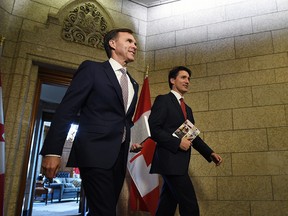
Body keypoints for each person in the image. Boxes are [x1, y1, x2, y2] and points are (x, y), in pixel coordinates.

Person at [40, 28, 139, 216]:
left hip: (119, 157)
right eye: (129, 41)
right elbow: (66, 110)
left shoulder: (133, 83)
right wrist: (52, 151)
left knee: (105, 209)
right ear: (112, 44)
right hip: (94, 153)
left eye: (135, 43)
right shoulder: (92, 69)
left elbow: (122, 120)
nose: (134, 46)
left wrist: (129, 140)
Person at [148, 66, 223, 216]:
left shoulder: (187, 109)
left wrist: (210, 153)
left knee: (166, 206)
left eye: (188, 78)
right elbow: (153, 129)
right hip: (169, 162)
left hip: (180, 163)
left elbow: (191, 136)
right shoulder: (163, 100)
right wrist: (177, 143)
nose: (187, 81)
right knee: (190, 205)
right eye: (183, 77)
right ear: (172, 80)